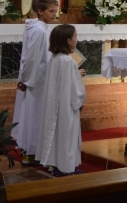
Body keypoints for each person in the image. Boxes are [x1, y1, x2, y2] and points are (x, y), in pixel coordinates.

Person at [11, 0, 58, 165]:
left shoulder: (37, 27)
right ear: (40, 11)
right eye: (51, 11)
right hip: (36, 80)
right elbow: (32, 58)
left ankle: (31, 148)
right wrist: (26, 80)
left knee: (31, 112)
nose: (54, 14)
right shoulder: (39, 30)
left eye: (55, 11)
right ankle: (31, 150)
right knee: (34, 114)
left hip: (35, 77)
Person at [35, 24, 87, 177]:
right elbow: (74, 88)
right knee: (67, 136)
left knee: (58, 136)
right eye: (75, 37)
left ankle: (58, 164)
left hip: (55, 104)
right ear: (68, 41)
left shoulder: (55, 58)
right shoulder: (68, 61)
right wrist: (79, 101)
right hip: (67, 106)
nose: (77, 40)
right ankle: (67, 168)